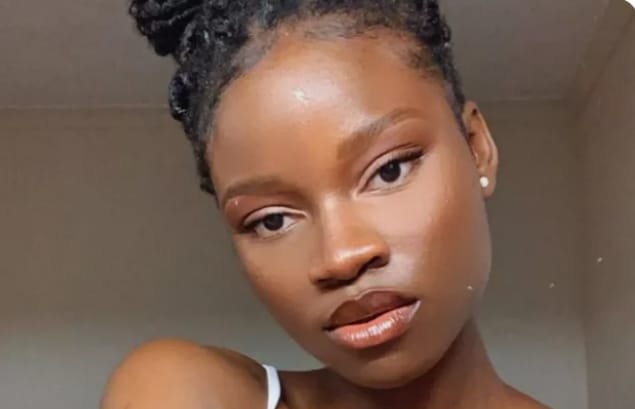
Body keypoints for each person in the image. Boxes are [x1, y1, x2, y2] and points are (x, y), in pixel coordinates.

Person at [102, 1, 550, 408]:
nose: (341, 257)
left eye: (388, 171)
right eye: (272, 220)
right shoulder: (182, 393)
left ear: (476, 147)